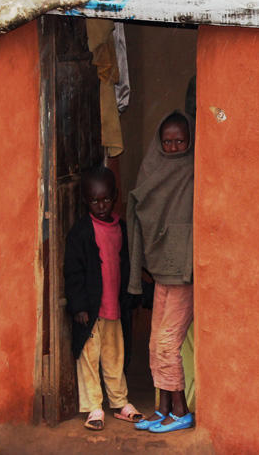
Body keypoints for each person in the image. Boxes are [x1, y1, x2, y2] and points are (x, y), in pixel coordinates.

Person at [128, 111, 195, 434]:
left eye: (180, 140)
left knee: (169, 342)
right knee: (155, 342)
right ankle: (163, 408)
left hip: (183, 270)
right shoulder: (151, 168)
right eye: (167, 141)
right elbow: (144, 207)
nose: (173, 147)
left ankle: (181, 411)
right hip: (161, 269)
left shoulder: (195, 168)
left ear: (190, 139)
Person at [63, 166, 142, 430]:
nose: (101, 205)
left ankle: (119, 402)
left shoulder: (122, 227)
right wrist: (79, 307)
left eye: (106, 199)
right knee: (88, 359)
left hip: (115, 309)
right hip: (91, 311)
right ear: (86, 200)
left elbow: (128, 264)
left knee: (115, 358)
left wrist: (131, 297)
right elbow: (73, 272)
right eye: (95, 200)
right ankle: (94, 407)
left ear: (115, 196)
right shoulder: (81, 232)